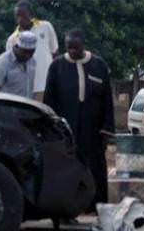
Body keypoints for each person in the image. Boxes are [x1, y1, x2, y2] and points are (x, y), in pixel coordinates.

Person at [43, 29, 115, 208]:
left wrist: (106, 130)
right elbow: (49, 100)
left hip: (94, 130)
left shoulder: (99, 65)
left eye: (76, 47)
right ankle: (70, 208)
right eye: (69, 48)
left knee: (95, 168)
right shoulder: (56, 67)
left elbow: (107, 100)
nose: (73, 51)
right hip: (67, 130)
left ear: (83, 45)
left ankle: (98, 207)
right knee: (68, 169)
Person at [6, 0, 58, 101]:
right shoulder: (12, 39)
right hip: (27, 91)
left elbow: (55, 53)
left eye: (23, 16)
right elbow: (10, 67)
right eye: (17, 16)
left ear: (31, 15)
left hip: (49, 86)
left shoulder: (46, 26)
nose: (20, 19)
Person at [0, 31, 37, 99]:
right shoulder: (2, 63)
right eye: (24, 52)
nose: (27, 56)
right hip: (7, 108)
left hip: (25, 107)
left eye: (31, 52)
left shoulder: (32, 61)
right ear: (17, 46)